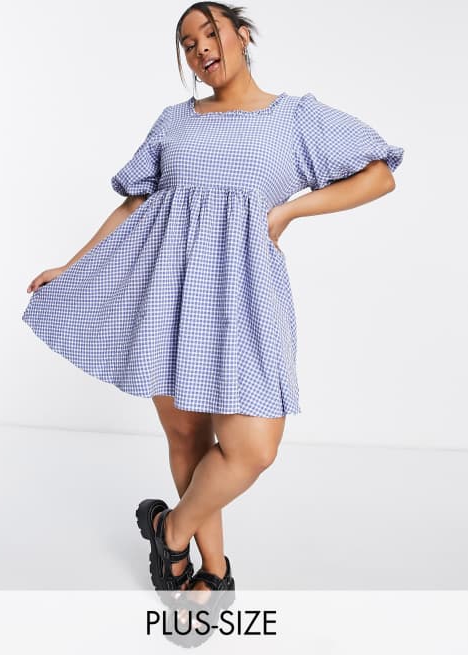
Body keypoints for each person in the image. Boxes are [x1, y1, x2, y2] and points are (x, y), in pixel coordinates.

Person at [22, 1, 404, 608]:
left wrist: (289, 210)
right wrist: (73, 266)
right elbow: (135, 203)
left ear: (242, 35)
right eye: (187, 42)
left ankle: (169, 530)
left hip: (245, 297)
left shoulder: (294, 118)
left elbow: (379, 174)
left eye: (210, 31)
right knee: (188, 438)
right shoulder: (175, 121)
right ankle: (213, 571)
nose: (200, 47)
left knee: (254, 450)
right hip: (167, 293)